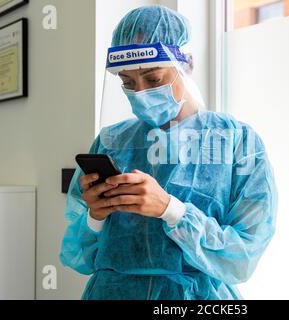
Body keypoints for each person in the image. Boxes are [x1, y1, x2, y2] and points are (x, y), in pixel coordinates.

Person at [60, 4, 277, 300]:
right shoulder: (111, 141)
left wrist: (170, 209)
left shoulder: (237, 142)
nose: (141, 92)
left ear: (186, 65)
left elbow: (242, 257)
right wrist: (96, 216)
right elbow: (80, 257)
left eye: (153, 79)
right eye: (127, 82)